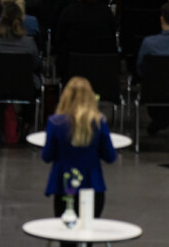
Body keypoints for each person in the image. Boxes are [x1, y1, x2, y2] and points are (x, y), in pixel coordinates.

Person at [41, 76, 117, 220]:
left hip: (64, 187)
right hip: (92, 186)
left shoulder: (55, 123)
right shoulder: (98, 121)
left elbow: (47, 156)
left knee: (66, 235)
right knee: (87, 235)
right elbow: (110, 156)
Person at [55, 0, 116, 79]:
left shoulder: (69, 12)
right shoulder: (106, 13)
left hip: (72, 66)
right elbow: (112, 37)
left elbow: (59, 39)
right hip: (100, 66)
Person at [137, 2, 169, 134]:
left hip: (153, 95)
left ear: (162, 19)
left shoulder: (149, 43)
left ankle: (161, 120)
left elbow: (140, 69)